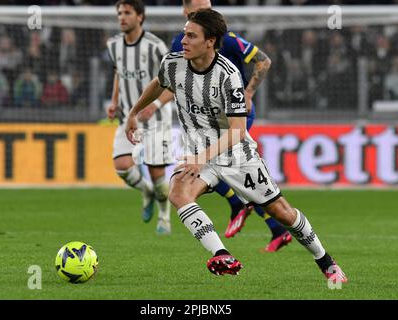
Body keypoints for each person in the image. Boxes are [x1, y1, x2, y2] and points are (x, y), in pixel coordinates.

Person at [125, 8, 347, 283]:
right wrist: (134, 113)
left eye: (191, 36)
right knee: (179, 193)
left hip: (237, 157)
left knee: (282, 213)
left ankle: (326, 262)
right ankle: (220, 253)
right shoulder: (173, 62)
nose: (183, 41)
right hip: (200, 154)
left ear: (210, 41)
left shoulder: (228, 76)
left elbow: (238, 132)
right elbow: (158, 84)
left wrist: (201, 156)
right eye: (184, 34)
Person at [169, 0, 292, 251]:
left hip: (234, 115)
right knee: (216, 165)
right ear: (186, 12)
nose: (205, 14)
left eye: (208, 9)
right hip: (204, 116)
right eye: (199, 10)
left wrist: (248, 93)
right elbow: (168, 83)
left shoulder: (230, 39)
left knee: (221, 162)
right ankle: (275, 228)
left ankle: (240, 206)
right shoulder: (180, 44)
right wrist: (150, 105)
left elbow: (264, 61)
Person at [106, 0, 173, 235]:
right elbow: (119, 73)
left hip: (156, 119)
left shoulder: (156, 46)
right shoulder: (113, 45)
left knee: (158, 176)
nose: (122, 17)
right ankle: (146, 192)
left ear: (140, 17)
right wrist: (114, 101)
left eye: (127, 13)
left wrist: (154, 105)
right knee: (122, 166)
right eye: (119, 13)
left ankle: (164, 218)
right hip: (129, 118)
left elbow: (173, 82)